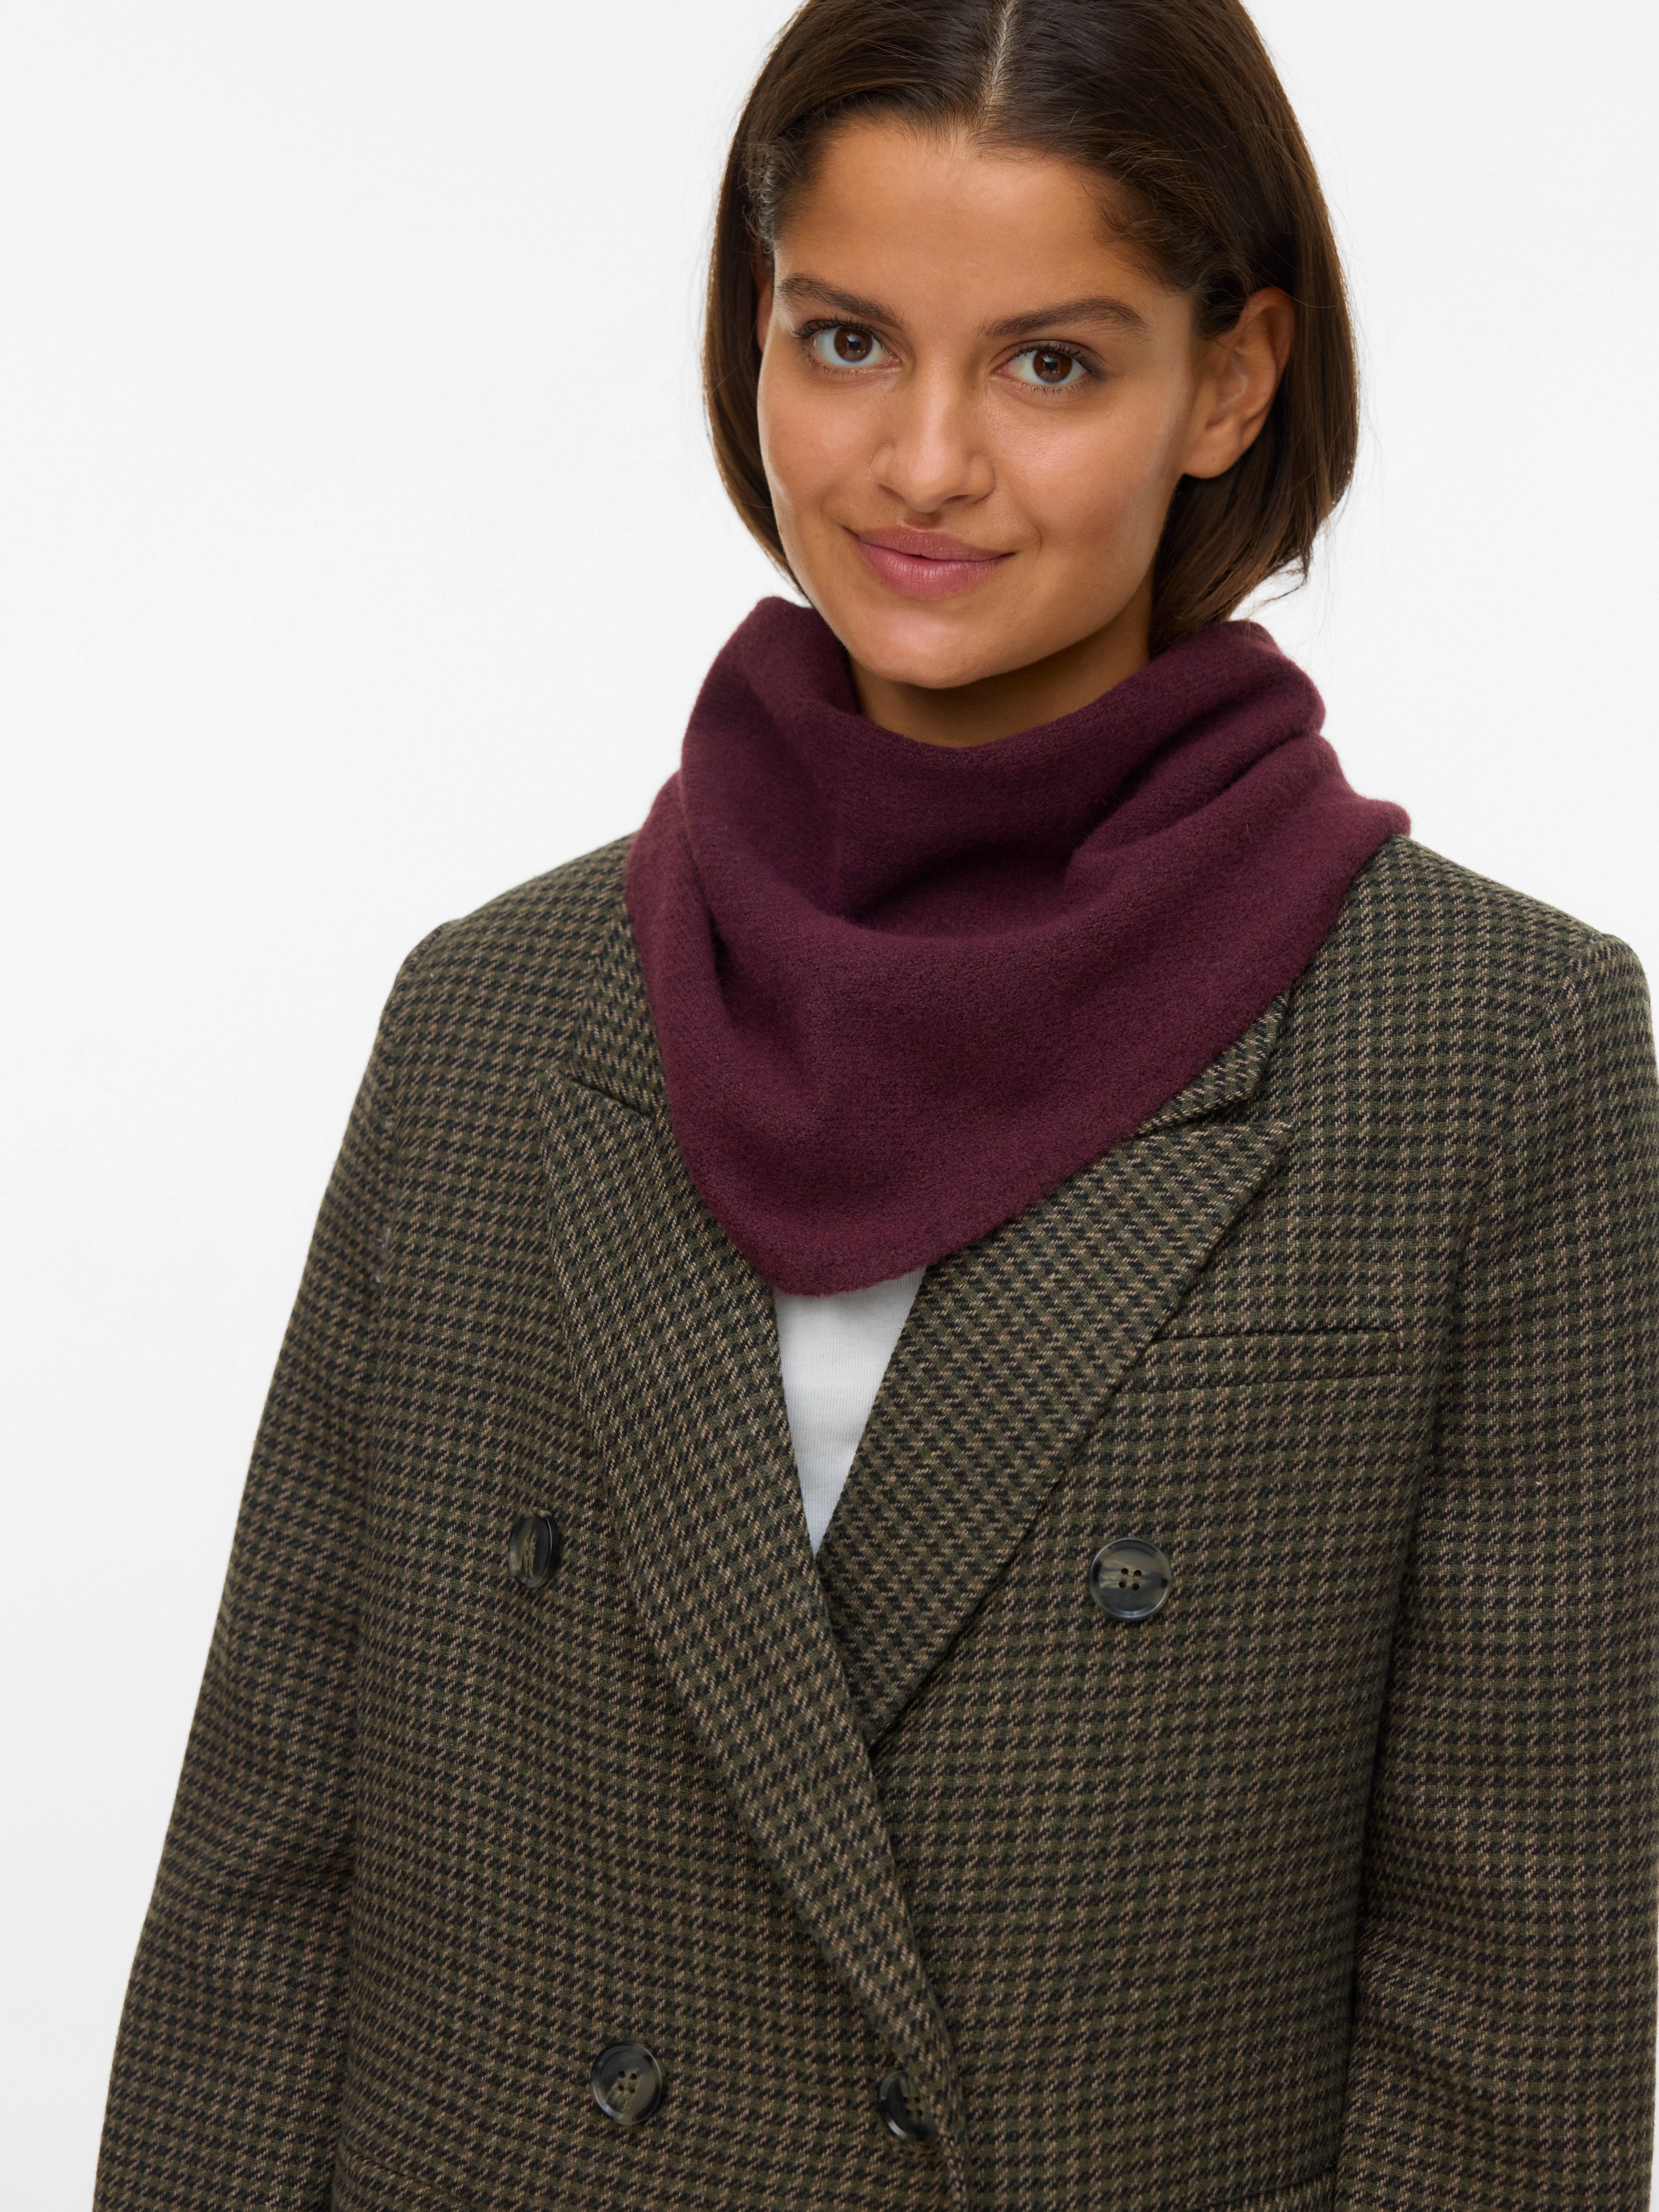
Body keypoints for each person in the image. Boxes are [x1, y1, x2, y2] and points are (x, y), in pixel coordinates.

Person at [94, 0, 1659, 2206]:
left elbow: (1513, 2015)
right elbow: (268, 1886)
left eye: (1049, 364)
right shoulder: (495, 1015)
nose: (922, 461)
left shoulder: (1488, 1050)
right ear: (751, 331)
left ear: (1229, 379)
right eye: (843, 341)